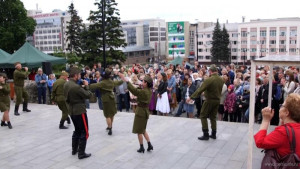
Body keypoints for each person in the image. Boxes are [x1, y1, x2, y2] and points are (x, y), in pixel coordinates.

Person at [254, 93, 300, 162]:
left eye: (282, 106)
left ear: (287, 113)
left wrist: (266, 120)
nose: (280, 108)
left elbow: (260, 142)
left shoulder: (283, 132)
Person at [187, 64, 224, 140]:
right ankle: (214, 133)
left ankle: (205, 134)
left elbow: (200, 89)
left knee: (203, 115)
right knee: (213, 117)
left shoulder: (209, 80)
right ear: (216, 71)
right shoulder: (221, 79)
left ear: (210, 71)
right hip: (217, 100)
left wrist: (191, 97)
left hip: (209, 100)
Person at [119, 73, 154, 153]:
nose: (142, 82)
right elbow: (138, 88)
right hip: (145, 111)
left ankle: (141, 147)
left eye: (143, 82)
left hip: (140, 112)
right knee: (143, 129)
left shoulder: (144, 92)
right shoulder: (149, 90)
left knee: (139, 131)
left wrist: (127, 81)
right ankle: (149, 144)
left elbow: (135, 91)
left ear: (146, 83)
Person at [64, 67, 91, 159]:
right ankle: (81, 153)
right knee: (85, 132)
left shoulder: (66, 84)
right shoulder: (75, 87)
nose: (80, 76)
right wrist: (87, 86)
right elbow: (88, 95)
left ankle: (74, 150)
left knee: (77, 130)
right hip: (79, 110)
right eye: (79, 74)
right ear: (75, 76)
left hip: (71, 110)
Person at [89, 68, 123, 135]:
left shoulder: (102, 83)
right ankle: (110, 126)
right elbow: (118, 82)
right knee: (112, 114)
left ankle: (109, 128)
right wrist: (123, 79)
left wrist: (86, 86)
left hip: (105, 99)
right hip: (112, 98)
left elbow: (94, 86)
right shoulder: (111, 82)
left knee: (107, 115)